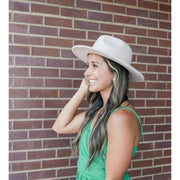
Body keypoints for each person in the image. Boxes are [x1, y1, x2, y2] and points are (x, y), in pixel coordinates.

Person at [52, 35, 144, 180]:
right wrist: (81, 91)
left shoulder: (121, 117)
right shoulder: (100, 111)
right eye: (87, 65)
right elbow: (60, 127)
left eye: (95, 65)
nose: (86, 72)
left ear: (115, 73)